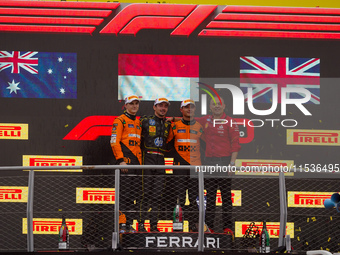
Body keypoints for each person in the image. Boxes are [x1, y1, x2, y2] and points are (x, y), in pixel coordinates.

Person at [196, 96, 241, 233]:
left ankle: (228, 228)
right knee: (210, 197)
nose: (216, 106)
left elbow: (236, 144)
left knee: (226, 196)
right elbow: (189, 121)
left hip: (224, 162)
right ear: (210, 106)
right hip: (209, 162)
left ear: (224, 106)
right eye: (213, 104)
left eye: (219, 104)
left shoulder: (230, 122)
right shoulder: (205, 120)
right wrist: (171, 119)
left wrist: (232, 163)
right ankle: (209, 227)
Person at [167, 99, 204, 232]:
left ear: (195, 110)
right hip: (179, 167)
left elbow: (205, 148)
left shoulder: (200, 126)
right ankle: (178, 226)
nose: (189, 109)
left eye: (192, 107)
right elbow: (168, 145)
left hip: (195, 167)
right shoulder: (174, 126)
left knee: (195, 198)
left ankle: (195, 226)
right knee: (179, 197)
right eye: (186, 107)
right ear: (181, 110)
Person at [139, 97, 172, 232]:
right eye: (160, 106)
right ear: (154, 107)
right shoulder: (145, 121)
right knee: (145, 194)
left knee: (157, 195)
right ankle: (141, 224)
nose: (163, 108)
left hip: (161, 160)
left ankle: (153, 225)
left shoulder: (168, 124)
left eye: (165, 106)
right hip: (147, 158)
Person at [110, 94, 142, 232]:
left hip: (137, 163)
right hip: (125, 162)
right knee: (124, 194)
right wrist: (121, 160)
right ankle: (121, 225)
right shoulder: (120, 120)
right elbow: (113, 141)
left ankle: (128, 224)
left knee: (133, 195)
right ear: (126, 105)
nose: (134, 106)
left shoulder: (138, 122)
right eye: (131, 103)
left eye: (136, 103)